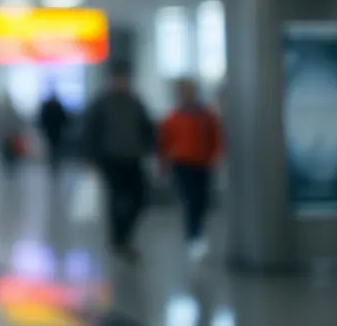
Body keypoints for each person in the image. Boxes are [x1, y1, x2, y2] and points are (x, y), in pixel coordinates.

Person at [82, 61, 155, 261]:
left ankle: (124, 235)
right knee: (116, 199)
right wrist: (90, 157)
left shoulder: (135, 102)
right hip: (111, 159)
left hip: (133, 157)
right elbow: (90, 132)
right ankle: (119, 239)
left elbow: (147, 128)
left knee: (140, 198)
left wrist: (149, 147)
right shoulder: (102, 104)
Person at [158, 78, 224, 261]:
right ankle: (193, 235)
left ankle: (197, 232)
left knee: (201, 200)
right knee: (191, 200)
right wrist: (164, 165)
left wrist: (215, 156)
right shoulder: (173, 118)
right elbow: (164, 144)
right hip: (182, 163)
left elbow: (216, 137)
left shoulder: (205, 116)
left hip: (202, 163)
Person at [38, 88, 70, 172]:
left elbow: (63, 118)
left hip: (56, 131)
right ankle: (53, 161)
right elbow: (43, 119)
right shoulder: (50, 107)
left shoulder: (56, 106)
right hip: (51, 131)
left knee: (55, 147)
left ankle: (55, 161)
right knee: (52, 147)